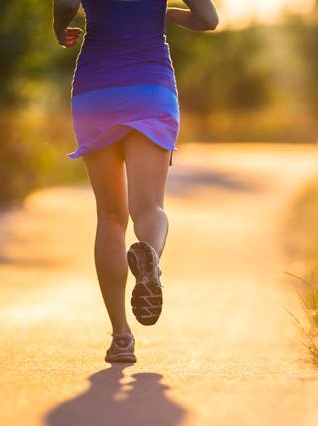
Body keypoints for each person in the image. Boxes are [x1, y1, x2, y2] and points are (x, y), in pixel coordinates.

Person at [53, 0, 219, 364]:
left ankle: (121, 337)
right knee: (150, 207)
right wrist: (167, 14)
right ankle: (151, 261)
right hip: (150, 88)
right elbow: (208, 19)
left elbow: (65, 3)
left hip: (96, 90)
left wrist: (58, 27)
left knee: (111, 217)